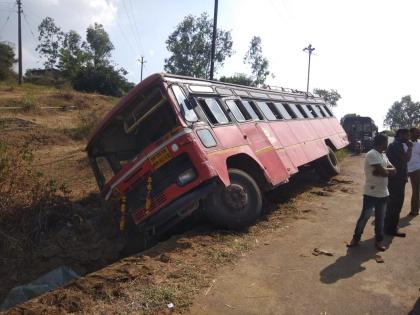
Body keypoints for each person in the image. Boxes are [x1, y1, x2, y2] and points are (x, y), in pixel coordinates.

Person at [348, 134, 396, 251]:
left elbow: (394, 170)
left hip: (384, 192)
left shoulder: (383, 155)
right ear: (382, 142)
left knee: (380, 219)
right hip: (371, 193)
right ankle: (356, 238)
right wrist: (383, 171)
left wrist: (383, 170)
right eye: (386, 142)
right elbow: (385, 173)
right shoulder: (372, 154)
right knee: (365, 217)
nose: (387, 144)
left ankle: (379, 241)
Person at [385, 128, 412, 237]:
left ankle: (388, 227)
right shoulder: (396, 145)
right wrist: (410, 148)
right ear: (401, 135)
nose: (408, 137)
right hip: (396, 179)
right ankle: (391, 229)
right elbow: (406, 159)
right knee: (396, 204)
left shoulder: (395, 145)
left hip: (396, 178)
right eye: (407, 135)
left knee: (392, 204)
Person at [407, 127, 420, 216]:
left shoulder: (419, 144)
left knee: (416, 190)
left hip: (416, 169)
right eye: (416, 132)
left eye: (418, 132)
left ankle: (414, 210)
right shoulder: (405, 144)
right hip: (406, 169)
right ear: (410, 133)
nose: (418, 134)